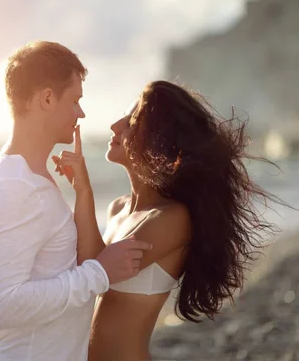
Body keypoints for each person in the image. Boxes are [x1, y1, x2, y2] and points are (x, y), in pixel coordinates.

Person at [54, 80, 281, 360]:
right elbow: (82, 276)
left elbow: (95, 270)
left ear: (157, 137)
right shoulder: (117, 210)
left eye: (131, 122)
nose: (115, 126)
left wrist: (83, 189)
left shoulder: (173, 218)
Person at [0, 41, 153, 361]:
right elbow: (2, 306)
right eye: (74, 100)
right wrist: (99, 273)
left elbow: (51, 269)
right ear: (46, 98)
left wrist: (82, 193)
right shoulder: (15, 184)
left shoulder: (28, 176)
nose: (80, 113)